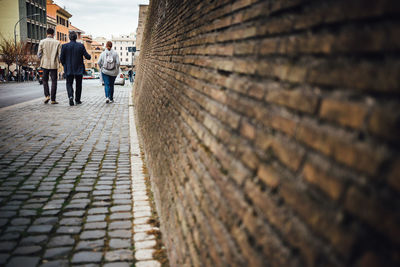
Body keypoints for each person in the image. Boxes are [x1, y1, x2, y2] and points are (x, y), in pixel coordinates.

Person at [60, 31, 91, 106]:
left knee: (69, 83)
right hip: (79, 68)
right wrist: (89, 56)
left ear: (69, 37)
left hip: (68, 68)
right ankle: (77, 100)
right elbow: (87, 56)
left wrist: (65, 65)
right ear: (76, 37)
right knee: (78, 84)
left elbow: (61, 58)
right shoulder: (80, 46)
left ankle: (70, 96)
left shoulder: (64, 46)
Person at [37, 28, 61, 104]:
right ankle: (53, 99)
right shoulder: (57, 42)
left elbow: (39, 54)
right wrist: (59, 62)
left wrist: (42, 59)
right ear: (53, 34)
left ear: (46, 34)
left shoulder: (42, 42)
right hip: (54, 64)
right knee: (54, 81)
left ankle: (47, 95)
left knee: (45, 80)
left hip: (44, 64)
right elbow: (60, 55)